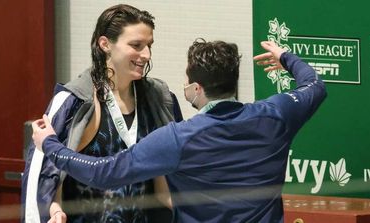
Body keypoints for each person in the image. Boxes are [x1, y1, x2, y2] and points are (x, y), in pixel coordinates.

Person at [31, 39, 327, 223]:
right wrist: (285, 57)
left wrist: (51, 146)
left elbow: (105, 172)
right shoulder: (276, 115)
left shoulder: (178, 138)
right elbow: (314, 86)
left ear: (196, 88)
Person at [21, 4, 183, 223]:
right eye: (136, 45)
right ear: (105, 44)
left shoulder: (159, 99)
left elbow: (168, 180)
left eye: (149, 45)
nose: (146, 54)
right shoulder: (75, 103)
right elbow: (48, 175)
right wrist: (55, 211)